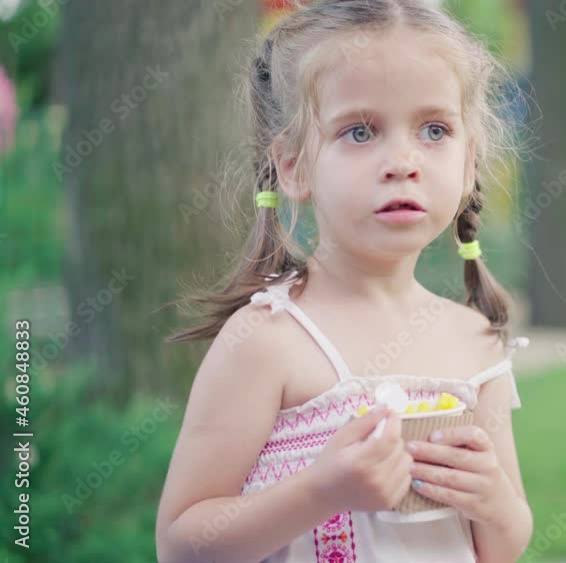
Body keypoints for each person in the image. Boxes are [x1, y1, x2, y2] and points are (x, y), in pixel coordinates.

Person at [155, 2, 533, 561]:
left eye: (434, 129)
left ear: (469, 160)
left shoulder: (475, 344)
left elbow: (501, 545)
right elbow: (182, 544)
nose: (402, 160)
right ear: (292, 167)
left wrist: (494, 502)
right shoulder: (266, 340)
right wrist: (320, 492)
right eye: (360, 132)